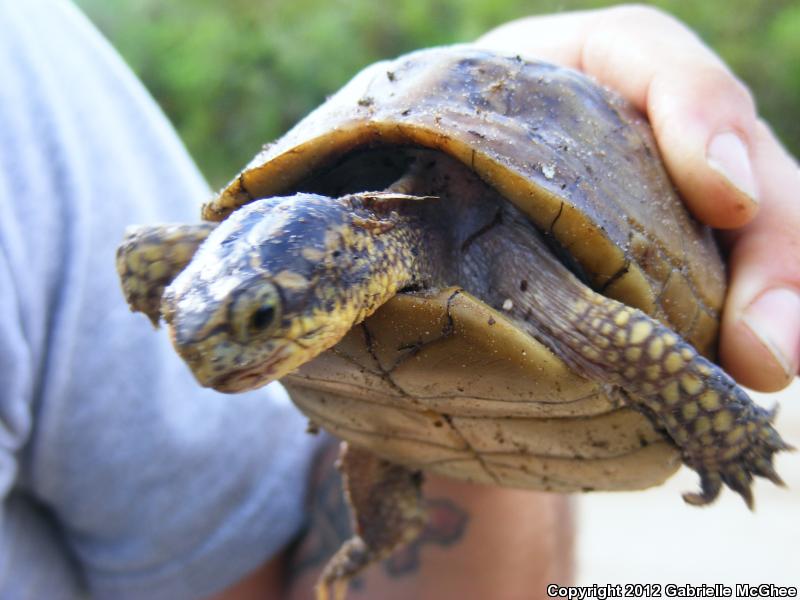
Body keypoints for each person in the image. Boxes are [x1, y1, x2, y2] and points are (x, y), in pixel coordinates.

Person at [0, 2, 796, 599]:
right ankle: (383, 523)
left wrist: (727, 433)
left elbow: (639, 344)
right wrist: (178, 302)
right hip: (383, 424)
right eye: (189, 324)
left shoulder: (32, 85)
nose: (207, 357)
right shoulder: (284, 260)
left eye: (261, 321)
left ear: (339, 268)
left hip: (523, 286)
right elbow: (149, 257)